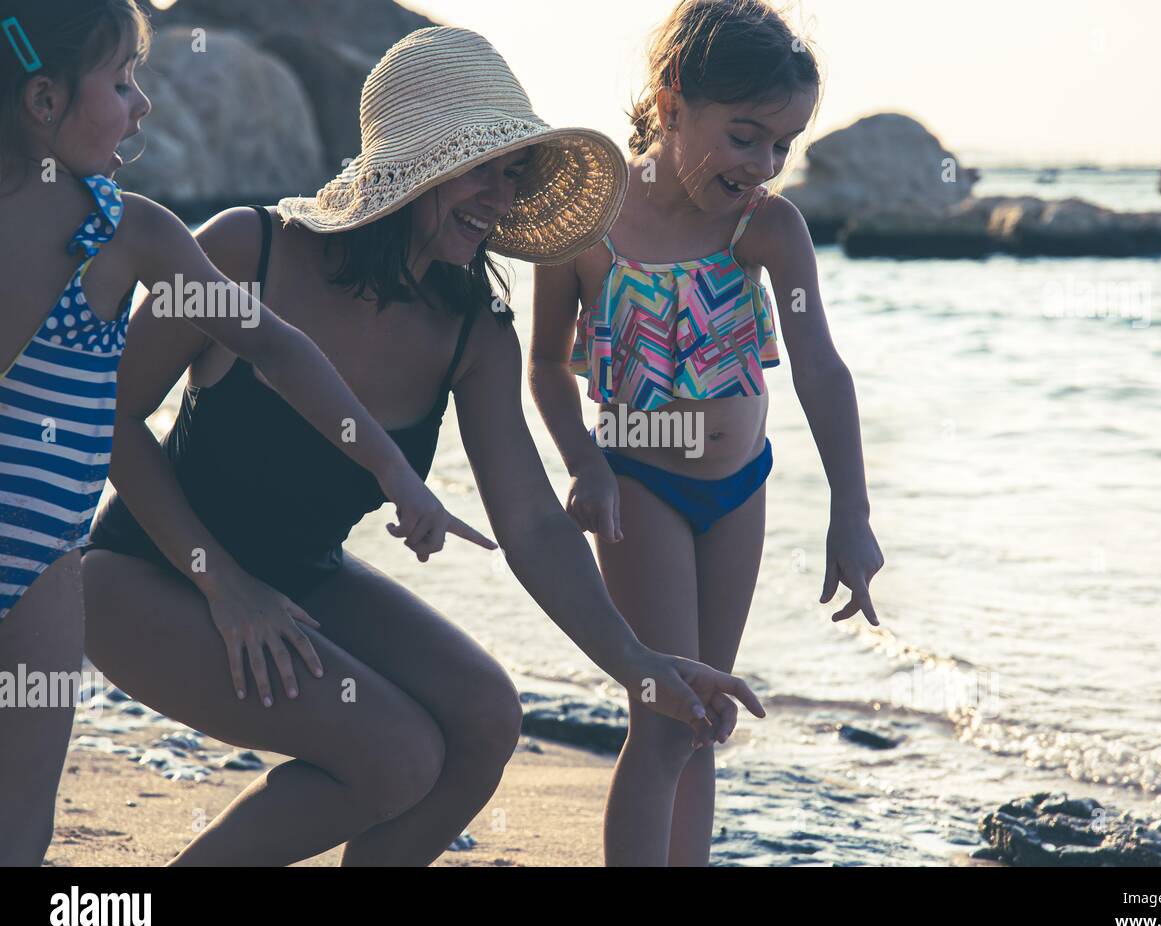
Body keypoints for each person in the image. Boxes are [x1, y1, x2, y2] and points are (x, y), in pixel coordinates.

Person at [82, 25, 764, 867]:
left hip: (301, 577)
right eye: (485, 168)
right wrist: (220, 582)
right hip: (142, 574)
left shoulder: (473, 332)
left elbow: (533, 523)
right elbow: (106, 415)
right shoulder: (245, 250)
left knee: (486, 718)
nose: (502, 197)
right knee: (397, 755)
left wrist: (638, 663)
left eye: (515, 173)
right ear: (418, 162)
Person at [0, 0, 474, 866]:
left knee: (21, 802)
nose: (142, 105)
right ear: (42, 101)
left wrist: (396, 474)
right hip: (59, 559)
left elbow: (276, 347)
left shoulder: (132, 234)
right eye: (122, 81)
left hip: (39, 569)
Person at [529, 0, 884, 866]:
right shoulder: (585, 220)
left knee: (706, 721)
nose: (763, 164)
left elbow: (821, 369)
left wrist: (852, 511)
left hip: (740, 488)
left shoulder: (766, 227)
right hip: (638, 487)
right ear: (673, 99)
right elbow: (542, 366)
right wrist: (586, 466)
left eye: (784, 144)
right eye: (745, 136)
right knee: (665, 714)